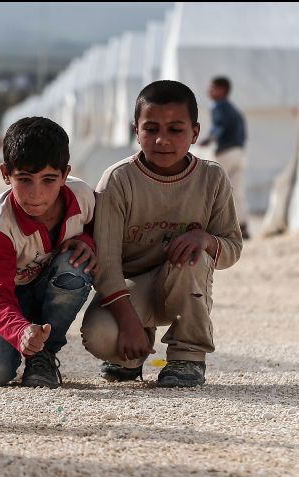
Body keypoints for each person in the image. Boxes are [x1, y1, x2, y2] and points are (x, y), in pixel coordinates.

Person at [81, 80, 243, 388]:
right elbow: (106, 262)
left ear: (195, 133)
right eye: (151, 128)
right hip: (132, 290)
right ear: (136, 130)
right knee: (99, 334)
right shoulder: (118, 180)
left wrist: (205, 240)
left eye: (175, 129)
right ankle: (130, 357)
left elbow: (232, 247)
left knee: (193, 256)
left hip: (186, 286)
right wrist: (128, 322)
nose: (162, 139)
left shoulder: (211, 177)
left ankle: (187, 356)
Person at [0, 117, 98, 389]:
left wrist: (87, 241)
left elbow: (100, 229)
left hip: (45, 282)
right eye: (24, 179)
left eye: (49, 180)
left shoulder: (83, 196)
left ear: (65, 175)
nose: (36, 193)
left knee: (77, 266)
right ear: (5, 174)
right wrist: (20, 330)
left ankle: (43, 355)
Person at [199, 76, 249, 239]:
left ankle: (215, 227)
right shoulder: (235, 109)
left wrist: (208, 140)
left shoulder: (218, 106)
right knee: (237, 191)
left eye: (212, 87)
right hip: (239, 153)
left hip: (226, 153)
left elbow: (219, 127)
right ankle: (243, 227)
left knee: (215, 189)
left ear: (222, 90)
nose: (209, 91)